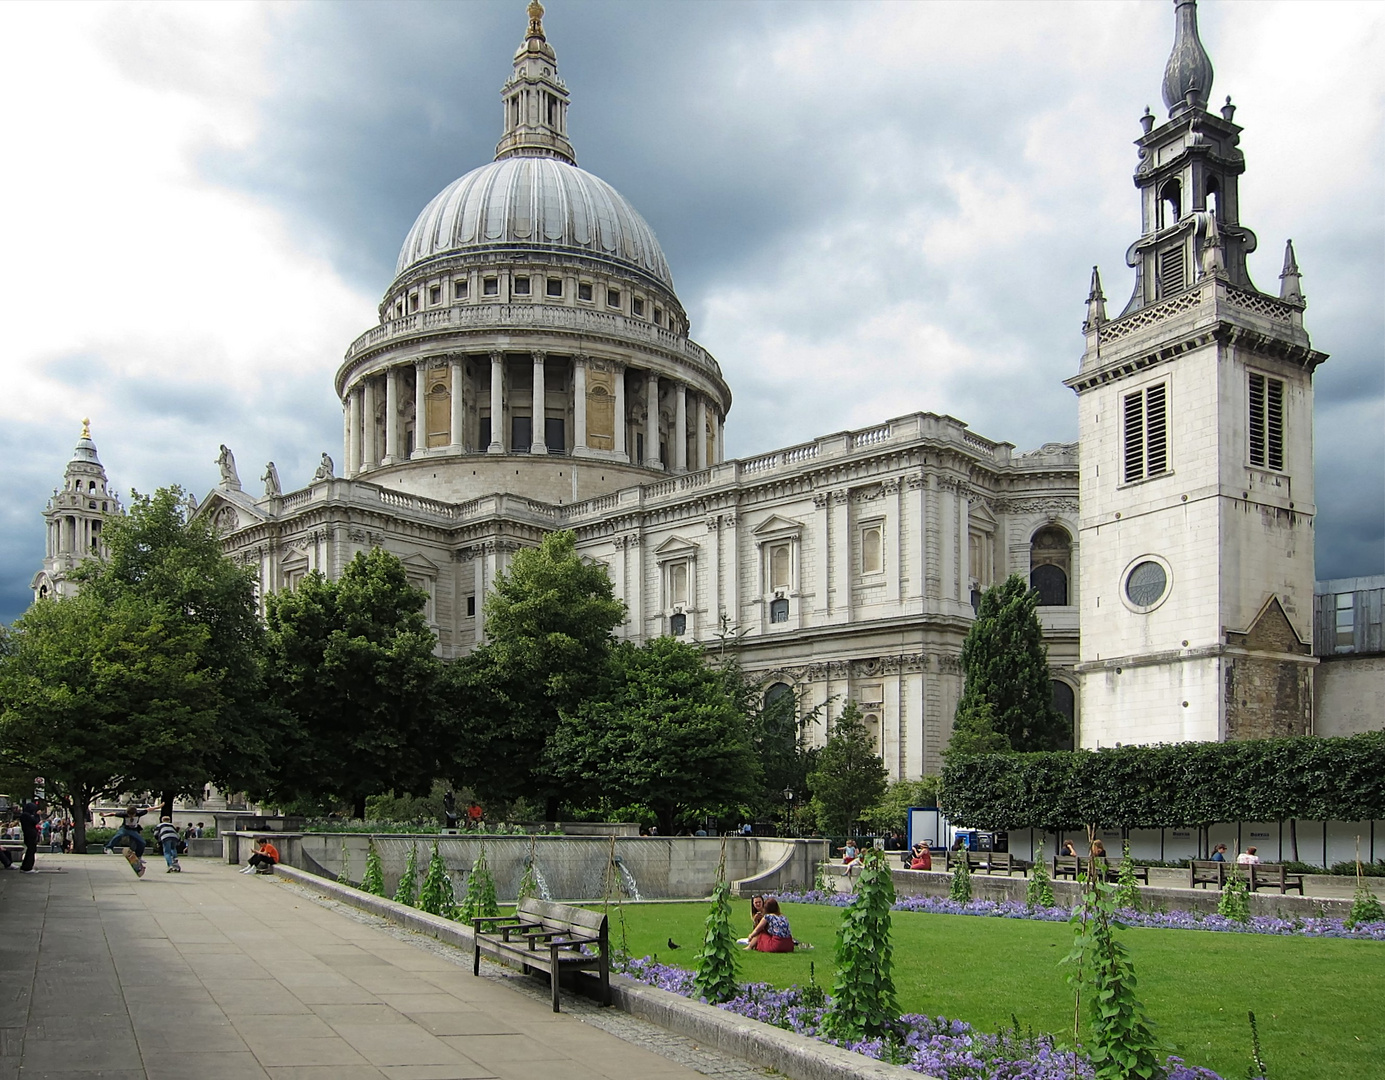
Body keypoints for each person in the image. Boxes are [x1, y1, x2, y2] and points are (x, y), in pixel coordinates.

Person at [19, 800, 41, 874]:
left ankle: (25, 866)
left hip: (29, 834)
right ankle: (27, 867)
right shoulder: (26, 815)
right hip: (29, 835)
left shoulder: (26, 815)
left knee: (31, 850)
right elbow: (35, 821)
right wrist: (37, 815)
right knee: (31, 850)